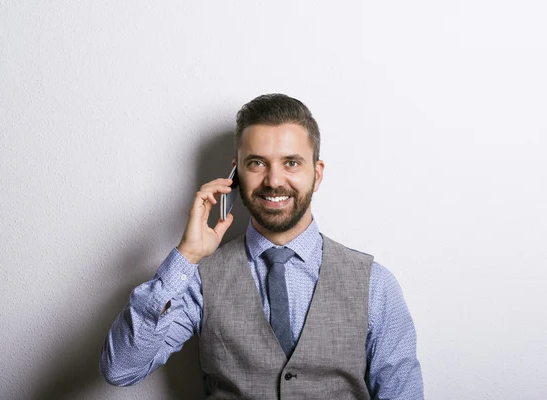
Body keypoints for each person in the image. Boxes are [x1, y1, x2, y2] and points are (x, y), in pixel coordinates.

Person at [100, 94, 424, 399]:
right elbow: (121, 369)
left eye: (292, 163)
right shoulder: (197, 280)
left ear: (317, 174)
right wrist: (187, 256)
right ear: (235, 175)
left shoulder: (375, 284)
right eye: (257, 163)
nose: (273, 180)